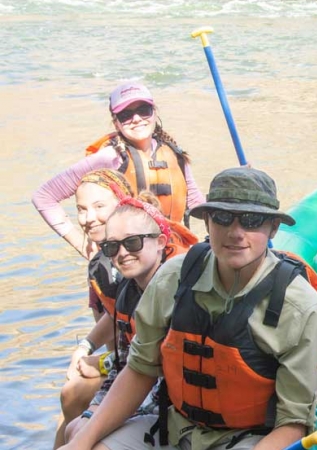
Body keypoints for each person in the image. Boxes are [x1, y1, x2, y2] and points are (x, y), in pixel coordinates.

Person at [59, 167, 317, 450]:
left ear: (273, 228)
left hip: (251, 438)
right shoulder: (172, 278)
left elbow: (294, 424)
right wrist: (81, 442)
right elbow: (140, 369)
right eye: (223, 218)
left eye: (252, 221)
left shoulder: (302, 309)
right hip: (174, 427)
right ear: (208, 222)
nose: (236, 233)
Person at [64, 194, 190, 444]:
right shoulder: (127, 294)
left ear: (160, 242)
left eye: (132, 243)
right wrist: (93, 414)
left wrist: (102, 423)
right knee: (75, 428)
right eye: (111, 247)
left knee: (89, 437)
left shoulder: (181, 292)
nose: (122, 253)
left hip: (172, 406)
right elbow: (124, 366)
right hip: (144, 394)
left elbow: (158, 376)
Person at [32, 81, 205, 260]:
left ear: (154, 112)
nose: (137, 119)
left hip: (172, 254)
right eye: (125, 115)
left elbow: (194, 201)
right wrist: (82, 245)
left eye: (144, 110)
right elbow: (44, 197)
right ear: (116, 123)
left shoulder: (174, 153)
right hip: (128, 260)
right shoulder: (108, 157)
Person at [55, 169, 135, 449]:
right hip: (128, 360)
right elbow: (118, 313)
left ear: (123, 204)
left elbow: (152, 352)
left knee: (74, 401)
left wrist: (101, 362)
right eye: (81, 209)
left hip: (151, 374)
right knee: (70, 408)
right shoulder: (102, 260)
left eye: (99, 206)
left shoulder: (139, 257)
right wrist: (86, 346)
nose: (88, 218)